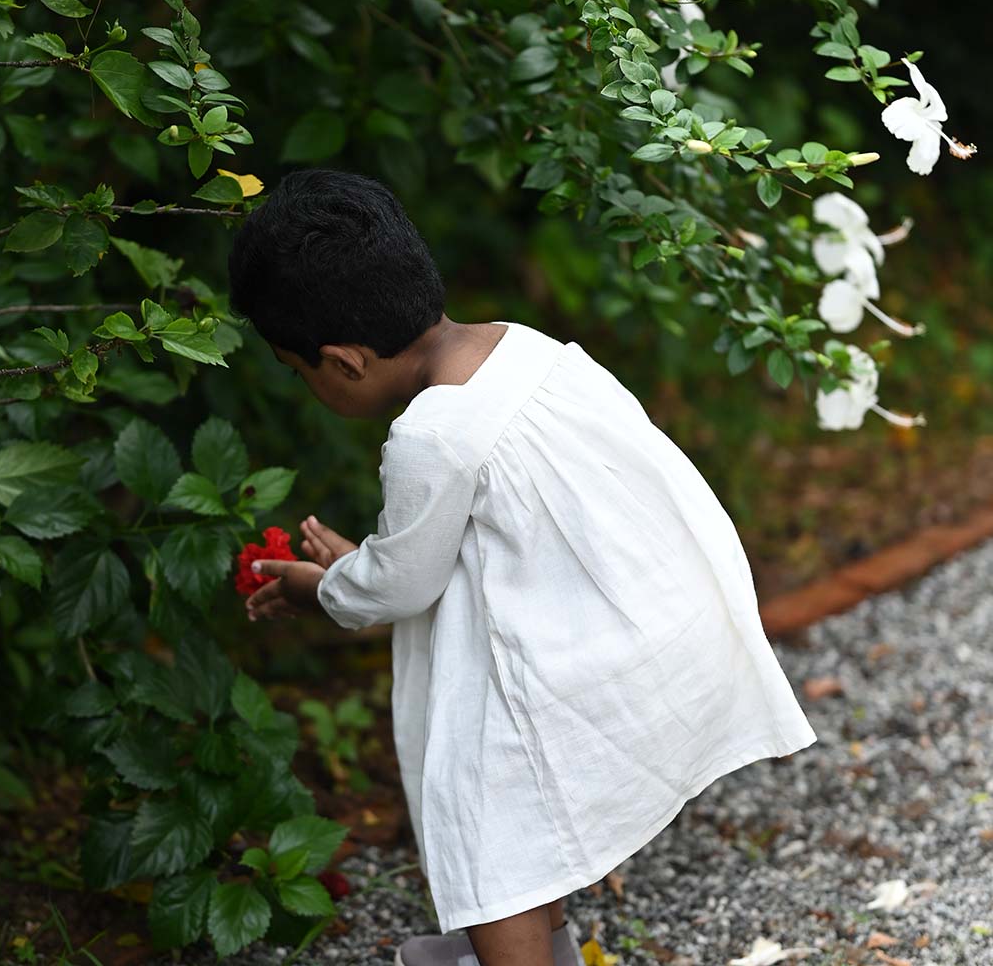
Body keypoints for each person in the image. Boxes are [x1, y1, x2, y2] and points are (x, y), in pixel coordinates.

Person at [227, 168, 818, 966]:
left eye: (296, 371)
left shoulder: (428, 435)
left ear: (342, 361)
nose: (306, 385)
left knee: (486, 816)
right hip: (661, 607)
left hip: (592, 657)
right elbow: (441, 546)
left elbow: (403, 584)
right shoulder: (524, 348)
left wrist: (321, 586)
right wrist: (366, 565)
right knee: (516, 787)